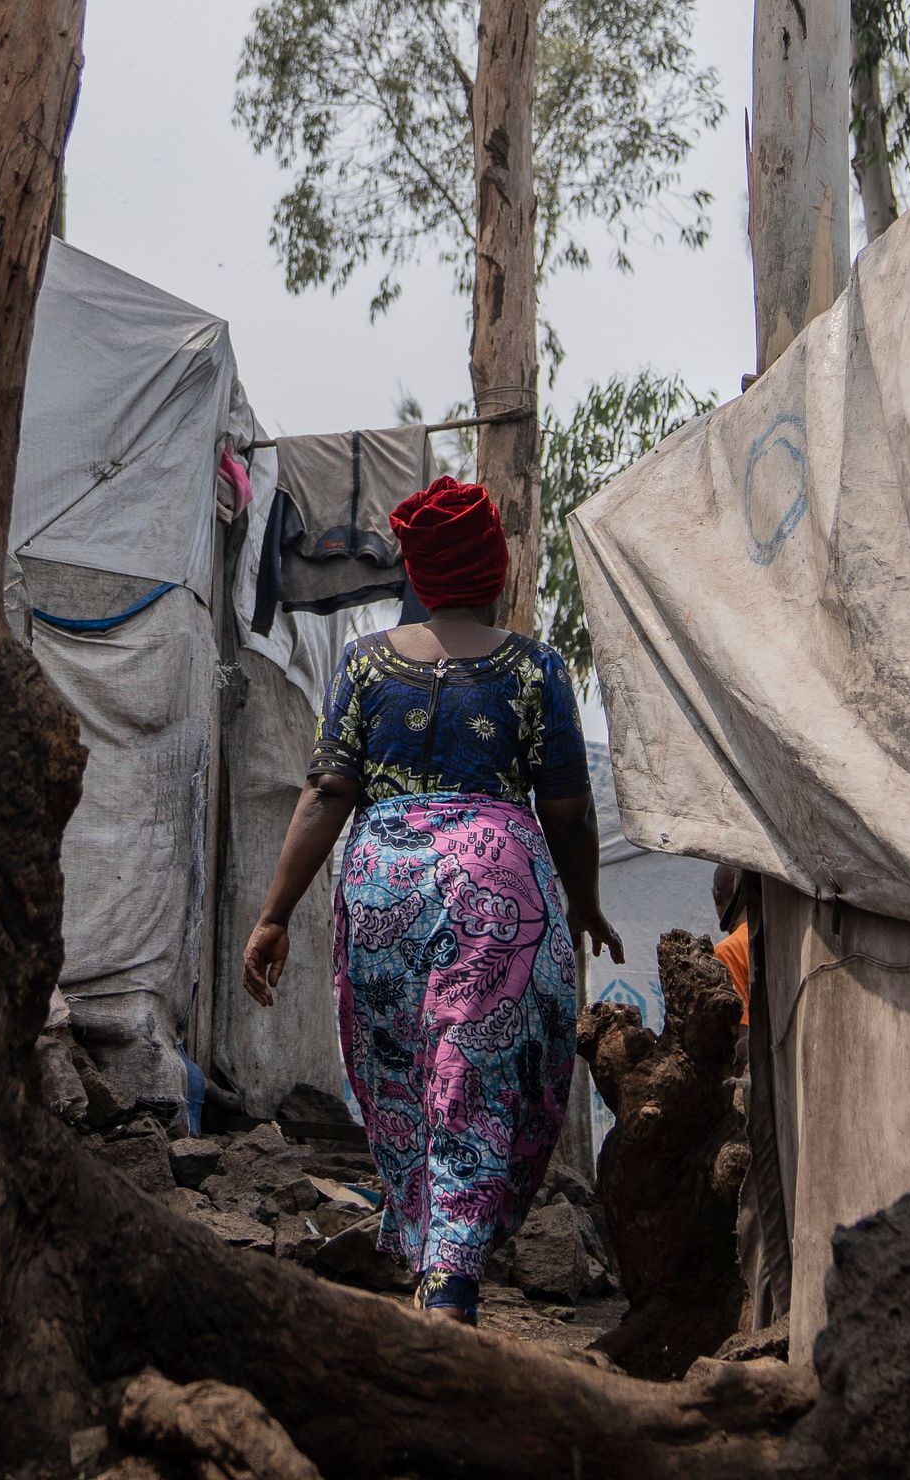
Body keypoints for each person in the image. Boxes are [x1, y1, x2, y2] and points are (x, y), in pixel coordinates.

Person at [239, 477, 624, 1321]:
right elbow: (567, 807)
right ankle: (451, 1278)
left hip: (384, 888)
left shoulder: (364, 663)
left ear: (415, 568)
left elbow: (325, 794)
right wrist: (584, 902)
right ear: (495, 570)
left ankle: (429, 1253)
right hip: (494, 886)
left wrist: (274, 914)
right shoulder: (535, 670)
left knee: (408, 1069)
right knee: (478, 1072)